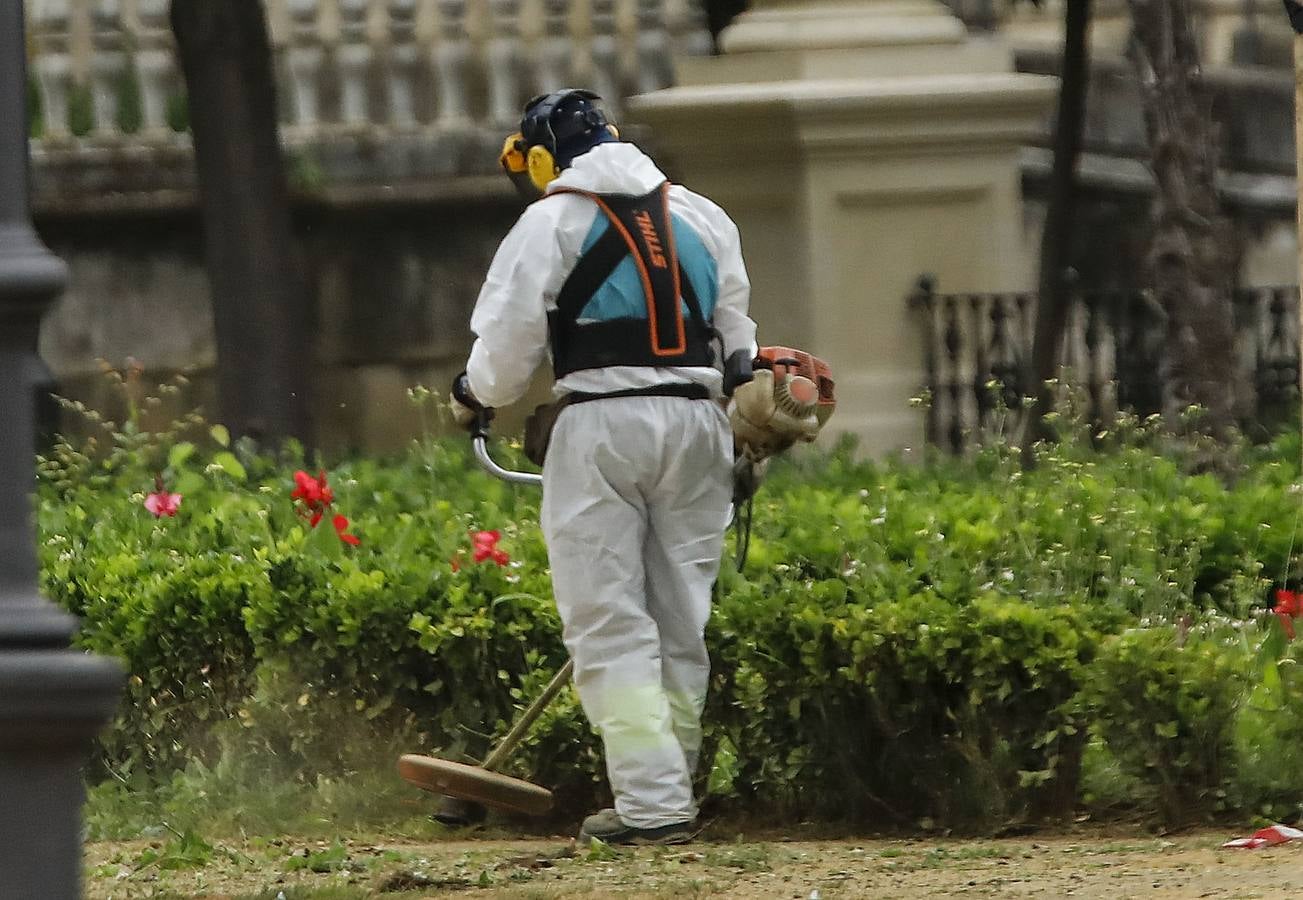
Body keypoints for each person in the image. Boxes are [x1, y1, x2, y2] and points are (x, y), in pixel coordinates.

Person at [448, 88, 758, 846]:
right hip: (699, 421)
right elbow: (738, 339)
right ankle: (668, 796)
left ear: (547, 158)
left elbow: (505, 357)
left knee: (609, 623)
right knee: (679, 622)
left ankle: (652, 810)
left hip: (600, 428)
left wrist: (472, 398)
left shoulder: (550, 220)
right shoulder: (702, 215)